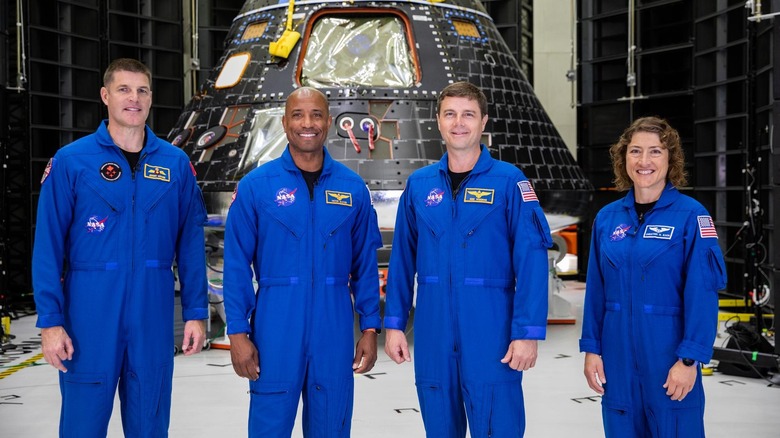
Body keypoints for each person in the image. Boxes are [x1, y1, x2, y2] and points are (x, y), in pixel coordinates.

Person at [32, 58, 209, 437]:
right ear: (105, 96)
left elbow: (191, 245)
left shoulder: (176, 165)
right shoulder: (71, 162)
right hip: (89, 315)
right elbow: (47, 246)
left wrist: (196, 312)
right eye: (124, 89)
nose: (134, 98)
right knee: (82, 425)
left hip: (153, 313)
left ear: (150, 98)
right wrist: (50, 322)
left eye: (142, 90)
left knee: (150, 424)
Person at [383, 81, 553, 437]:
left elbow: (532, 260)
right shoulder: (419, 185)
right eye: (450, 114)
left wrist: (527, 332)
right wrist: (395, 323)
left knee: (499, 427)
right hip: (433, 333)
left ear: (483, 121)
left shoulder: (510, 183)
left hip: (492, 332)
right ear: (439, 122)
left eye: (468, 115)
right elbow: (401, 260)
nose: (459, 123)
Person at [222, 87, 382, 437]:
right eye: (298, 115)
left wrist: (370, 328)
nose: (307, 123)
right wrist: (236, 332)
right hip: (275, 327)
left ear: (328, 122)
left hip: (334, 327)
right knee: (269, 426)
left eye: (316, 115)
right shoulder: (256, 187)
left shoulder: (352, 189)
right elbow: (235, 264)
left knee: (331, 424)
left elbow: (365, 266)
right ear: (285, 122)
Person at [579, 116, 727, 436]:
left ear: (670, 158)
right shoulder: (607, 218)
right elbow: (596, 292)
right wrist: (592, 350)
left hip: (668, 358)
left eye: (655, 152)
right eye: (635, 151)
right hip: (617, 360)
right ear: (623, 158)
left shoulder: (692, 216)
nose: (644, 161)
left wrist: (689, 360)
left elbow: (702, 293)